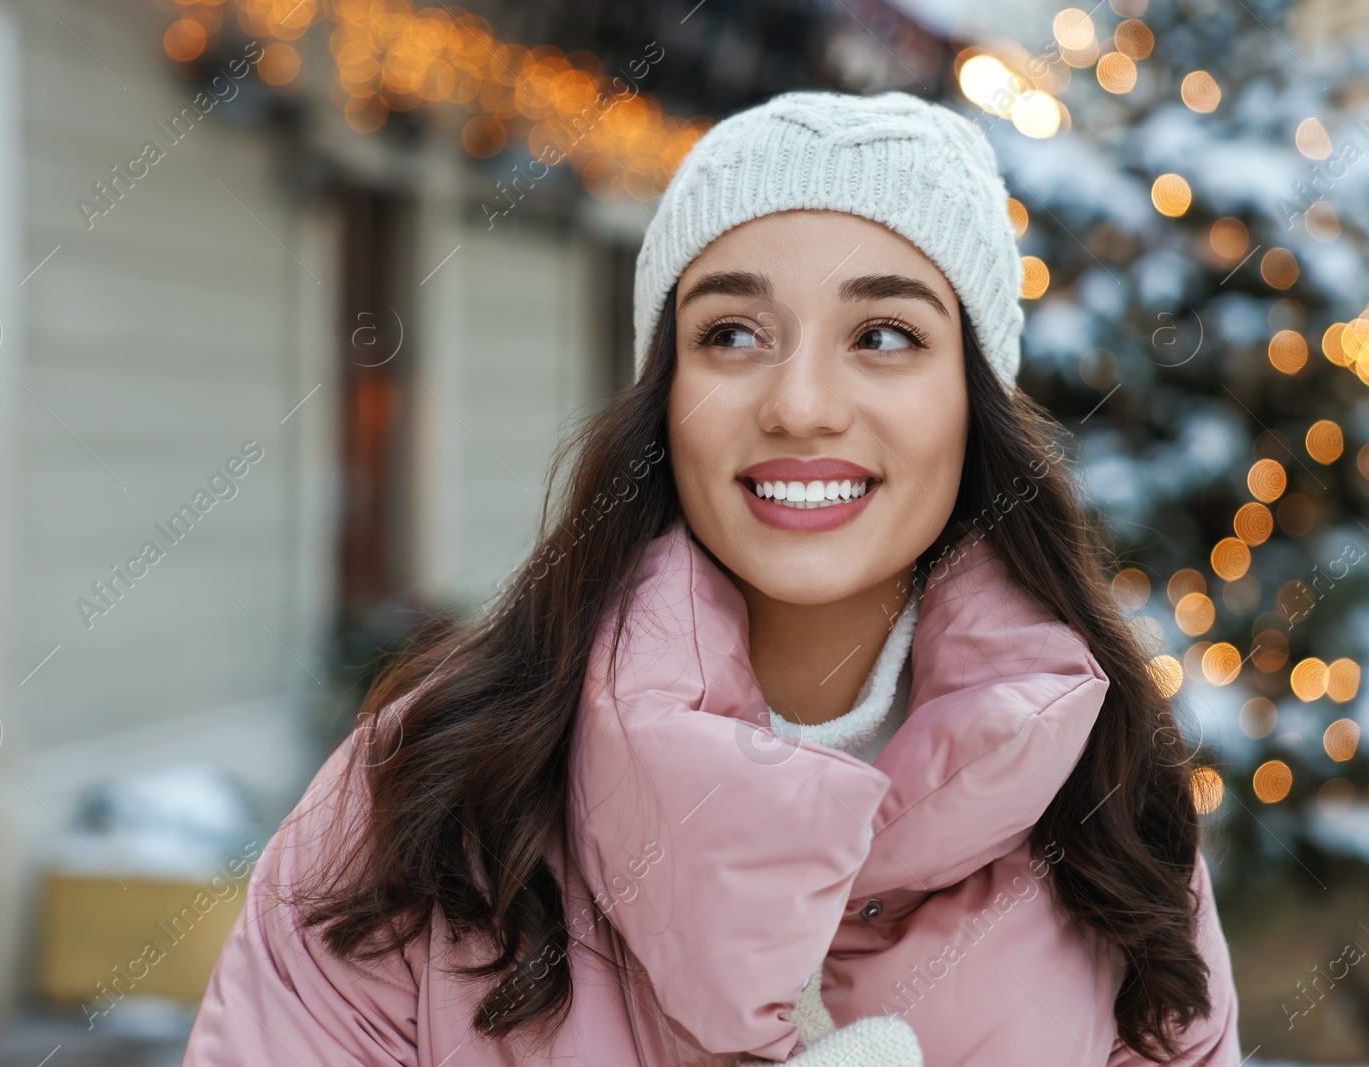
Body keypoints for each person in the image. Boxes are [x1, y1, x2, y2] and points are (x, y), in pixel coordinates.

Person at [181, 89, 1242, 1066]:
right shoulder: (422, 795)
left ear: (973, 405)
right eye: (732, 333)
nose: (801, 404)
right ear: (665, 394)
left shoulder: (1106, 808)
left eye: (883, 334)